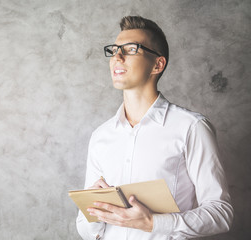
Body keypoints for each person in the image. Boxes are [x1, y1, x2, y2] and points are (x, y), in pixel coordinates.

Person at [76, 16, 233, 240]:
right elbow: (84, 228)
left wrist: (153, 223)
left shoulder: (191, 128)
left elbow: (221, 213)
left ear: (157, 64)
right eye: (114, 50)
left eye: (131, 49)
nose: (117, 57)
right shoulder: (101, 136)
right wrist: (96, 211)